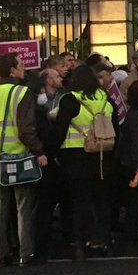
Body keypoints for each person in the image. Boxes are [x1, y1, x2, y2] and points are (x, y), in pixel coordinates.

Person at [0, 56, 48, 267]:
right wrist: (39, 151)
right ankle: (26, 253)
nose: (24, 69)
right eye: (21, 66)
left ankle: (1, 254)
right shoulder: (22, 92)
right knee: (23, 207)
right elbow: (26, 129)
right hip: (20, 155)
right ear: (13, 70)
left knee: (0, 207)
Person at [48, 63, 119, 259]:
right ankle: (105, 241)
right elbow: (116, 130)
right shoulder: (106, 100)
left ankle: (79, 243)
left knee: (79, 202)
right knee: (101, 201)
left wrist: (50, 153)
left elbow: (60, 130)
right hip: (102, 156)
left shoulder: (70, 100)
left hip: (75, 156)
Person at [115, 78, 138, 255]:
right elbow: (137, 145)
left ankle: (131, 239)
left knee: (135, 205)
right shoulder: (136, 117)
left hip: (131, 165)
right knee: (134, 206)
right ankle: (131, 241)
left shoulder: (135, 114)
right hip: (134, 167)